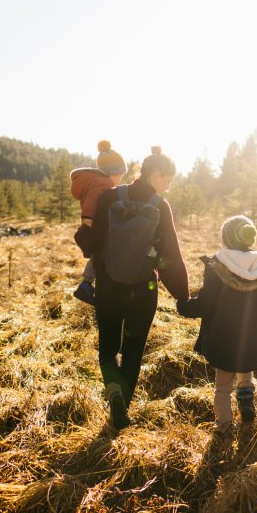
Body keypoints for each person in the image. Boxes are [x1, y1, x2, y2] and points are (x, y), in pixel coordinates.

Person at [80, 146, 189, 430]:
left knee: (107, 346)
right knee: (133, 351)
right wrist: (183, 295)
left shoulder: (110, 197)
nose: (169, 185)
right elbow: (169, 257)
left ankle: (113, 394)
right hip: (144, 289)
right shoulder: (160, 206)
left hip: (109, 286)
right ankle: (122, 408)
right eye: (168, 179)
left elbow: (94, 241)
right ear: (155, 174)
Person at [177, 215, 257, 434]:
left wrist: (185, 306)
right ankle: (246, 403)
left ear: (226, 237)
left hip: (223, 337)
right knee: (245, 371)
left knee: (222, 387)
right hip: (252, 338)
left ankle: (223, 427)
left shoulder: (217, 265)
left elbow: (206, 303)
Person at [69, 140, 127, 305]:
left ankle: (86, 284)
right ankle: (86, 285)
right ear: (112, 173)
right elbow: (93, 199)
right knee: (99, 254)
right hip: (94, 224)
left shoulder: (100, 181)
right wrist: (87, 217)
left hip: (95, 223)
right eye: (120, 175)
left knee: (98, 254)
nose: (120, 178)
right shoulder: (102, 183)